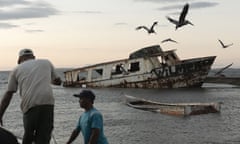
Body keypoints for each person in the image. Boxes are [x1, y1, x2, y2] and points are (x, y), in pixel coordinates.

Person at [0, 48, 62, 144]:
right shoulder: (46, 62)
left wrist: (0, 114)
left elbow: (9, 94)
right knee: (44, 135)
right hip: (47, 103)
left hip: (30, 105)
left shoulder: (16, 69)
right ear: (33, 57)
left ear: (19, 60)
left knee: (29, 134)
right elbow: (58, 81)